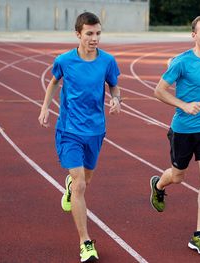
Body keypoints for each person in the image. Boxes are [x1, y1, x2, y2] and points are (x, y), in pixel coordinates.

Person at [38, 11, 121, 263]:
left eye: (97, 33)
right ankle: (86, 242)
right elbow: (53, 82)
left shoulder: (107, 61)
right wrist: (45, 107)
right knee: (81, 185)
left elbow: (114, 85)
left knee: (85, 179)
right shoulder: (64, 60)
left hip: (95, 130)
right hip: (69, 130)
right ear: (78, 34)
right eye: (89, 34)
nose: (94, 38)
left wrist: (116, 98)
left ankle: (70, 187)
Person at [150, 15, 200, 256]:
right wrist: (184, 105)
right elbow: (159, 91)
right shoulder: (181, 63)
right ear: (194, 35)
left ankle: (199, 235)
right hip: (183, 131)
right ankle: (158, 184)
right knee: (177, 177)